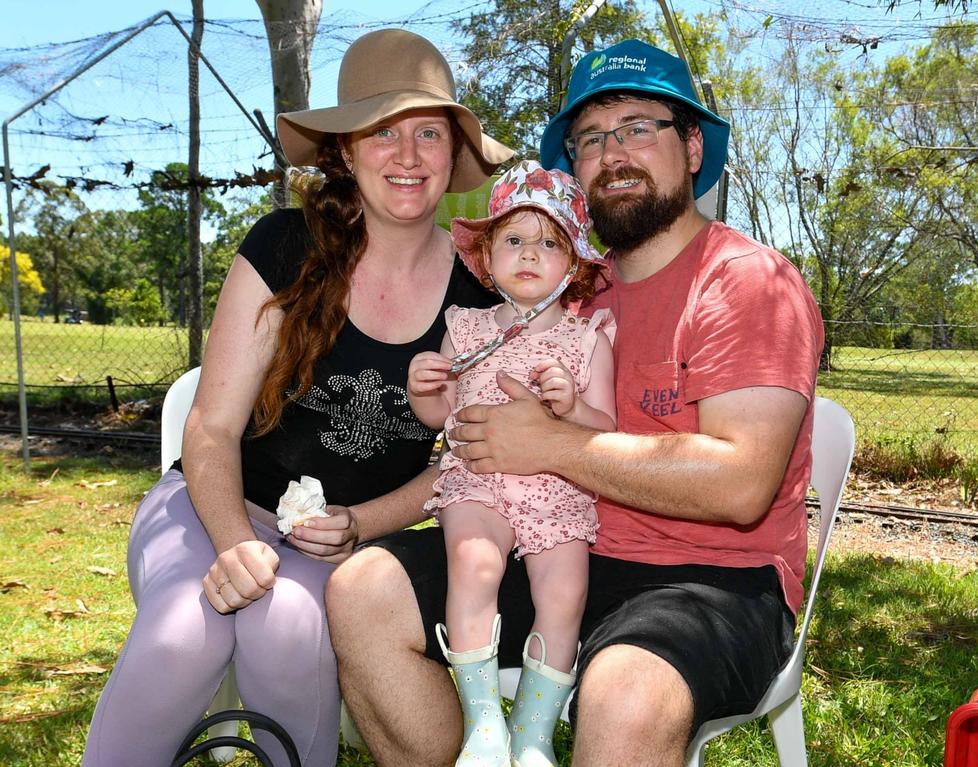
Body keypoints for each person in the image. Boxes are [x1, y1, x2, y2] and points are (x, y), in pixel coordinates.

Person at [326, 37, 824, 767]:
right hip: (556, 542)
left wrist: (553, 444)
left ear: (691, 147)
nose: (611, 152)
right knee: (361, 590)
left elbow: (740, 485)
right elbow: (477, 442)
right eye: (590, 138)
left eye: (636, 128)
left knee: (622, 695)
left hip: (710, 579)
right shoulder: (564, 293)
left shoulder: (746, 283)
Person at [82, 28, 513, 767]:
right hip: (210, 504)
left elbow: (472, 463)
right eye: (382, 133)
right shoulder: (285, 245)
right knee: (188, 626)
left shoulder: (482, 293)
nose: (407, 156)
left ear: (451, 153)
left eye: (427, 134)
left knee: (287, 627)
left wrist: (358, 523)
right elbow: (210, 427)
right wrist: (233, 542)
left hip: (346, 544)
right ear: (345, 150)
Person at [407, 159, 615, 767]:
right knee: (472, 564)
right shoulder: (466, 329)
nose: (530, 253)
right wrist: (425, 388)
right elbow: (440, 414)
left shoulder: (585, 340)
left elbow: (608, 429)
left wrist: (572, 407)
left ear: (573, 264)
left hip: (558, 490)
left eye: (550, 242)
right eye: (514, 240)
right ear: (489, 257)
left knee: (566, 592)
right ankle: (483, 725)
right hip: (477, 481)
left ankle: (531, 730)